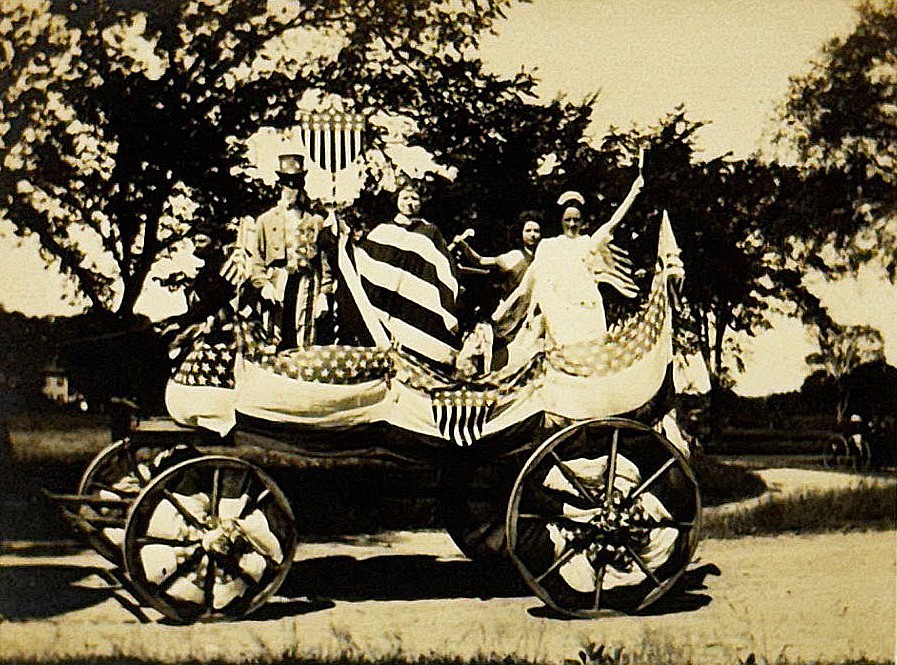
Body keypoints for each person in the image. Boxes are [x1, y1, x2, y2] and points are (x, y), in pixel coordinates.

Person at [492, 173, 644, 353]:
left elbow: (613, 223)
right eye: (568, 219)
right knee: (564, 355)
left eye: (576, 219)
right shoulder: (549, 246)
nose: (572, 224)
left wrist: (634, 192)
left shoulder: (588, 242)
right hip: (561, 313)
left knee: (593, 356)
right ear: (561, 220)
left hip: (588, 309)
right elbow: (528, 284)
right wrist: (503, 312)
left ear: (583, 221)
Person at [346, 180, 461, 366]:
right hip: (384, 297)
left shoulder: (430, 232)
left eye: (414, 198)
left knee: (413, 350)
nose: (409, 202)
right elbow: (364, 261)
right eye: (405, 197)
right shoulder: (383, 231)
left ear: (421, 203)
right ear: (396, 200)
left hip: (414, 298)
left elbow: (443, 267)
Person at [227, 154, 330, 351]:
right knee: (274, 331)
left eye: (296, 183)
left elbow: (324, 262)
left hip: (306, 281)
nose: (291, 189)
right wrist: (263, 284)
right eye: (287, 184)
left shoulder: (314, 221)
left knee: (304, 333)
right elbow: (257, 260)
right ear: (280, 185)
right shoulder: (266, 221)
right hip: (278, 279)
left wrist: (324, 293)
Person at [454, 211, 543, 297]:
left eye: (536, 231)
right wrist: (464, 246)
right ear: (520, 233)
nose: (533, 234)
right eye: (528, 231)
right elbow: (481, 261)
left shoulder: (545, 258)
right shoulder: (515, 255)